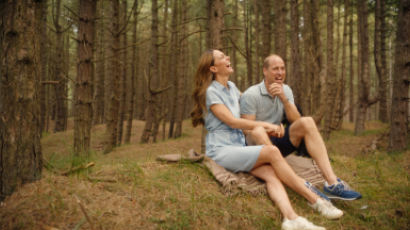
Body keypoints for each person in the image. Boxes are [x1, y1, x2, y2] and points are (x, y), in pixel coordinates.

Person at [191, 49, 343, 230]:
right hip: (222, 150)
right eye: (222, 57)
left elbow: (249, 113)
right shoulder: (211, 92)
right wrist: (267, 126)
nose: (228, 57)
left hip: (241, 149)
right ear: (213, 68)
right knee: (272, 152)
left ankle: (291, 219)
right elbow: (232, 122)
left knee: (271, 175)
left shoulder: (231, 88)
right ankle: (316, 200)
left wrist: (272, 125)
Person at [240, 54, 362, 201]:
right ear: (265, 71)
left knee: (307, 122)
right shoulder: (251, 94)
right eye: (275, 69)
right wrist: (270, 129)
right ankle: (298, 183)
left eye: (282, 68)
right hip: (258, 147)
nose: (280, 72)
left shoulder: (286, 90)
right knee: (258, 132)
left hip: (278, 142)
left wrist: (284, 99)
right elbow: (246, 129)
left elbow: (297, 120)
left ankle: (332, 183)